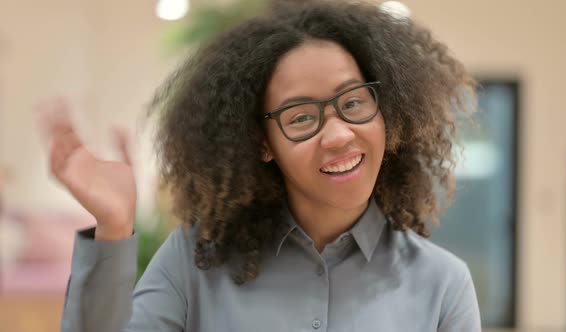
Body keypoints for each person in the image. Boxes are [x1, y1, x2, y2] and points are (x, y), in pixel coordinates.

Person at [44, 1, 481, 331]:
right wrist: (113, 227)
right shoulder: (194, 261)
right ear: (262, 143)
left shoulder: (443, 284)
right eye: (301, 118)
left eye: (353, 103)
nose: (339, 135)